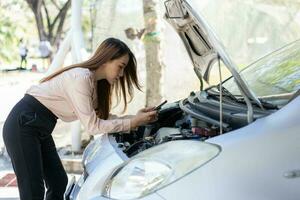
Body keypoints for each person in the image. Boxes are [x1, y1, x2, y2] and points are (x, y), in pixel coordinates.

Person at [2, 38, 158, 200]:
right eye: (121, 67)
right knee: (32, 190)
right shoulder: (81, 78)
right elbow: (94, 127)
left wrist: (137, 118)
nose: (121, 74)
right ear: (106, 60)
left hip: (38, 126)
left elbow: (101, 119)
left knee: (58, 182)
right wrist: (132, 122)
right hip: (23, 125)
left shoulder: (94, 83)